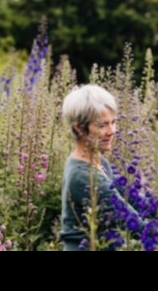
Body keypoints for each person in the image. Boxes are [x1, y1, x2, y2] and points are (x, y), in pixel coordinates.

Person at [59, 84, 143, 251]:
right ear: (78, 127)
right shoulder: (83, 175)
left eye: (113, 122)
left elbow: (132, 199)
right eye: (102, 125)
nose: (112, 131)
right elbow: (136, 225)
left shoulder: (99, 161)